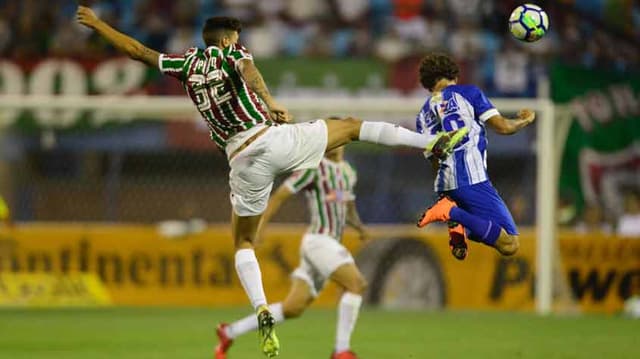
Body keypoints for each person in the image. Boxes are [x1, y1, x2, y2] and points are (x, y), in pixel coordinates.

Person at [76, 7, 466, 357]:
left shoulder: (186, 64)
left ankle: (260, 308)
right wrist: (272, 102)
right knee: (349, 127)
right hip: (270, 137)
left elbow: (137, 51)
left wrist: (97, 24)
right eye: (237, 37)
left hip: (241, 160)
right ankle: (429, 142)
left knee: (243, 240)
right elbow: (250, 72)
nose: (240, 42)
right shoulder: (232, 52)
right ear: (228, 39)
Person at [216, 144, 367, 359]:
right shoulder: (314, 168)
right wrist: (260, 228)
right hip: (319, 240)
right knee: (356, 284)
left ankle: (229, 332)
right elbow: (280, 195)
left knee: (293, 307)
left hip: (329, 244)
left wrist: (359, 227)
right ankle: (341, 351)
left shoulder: (348, 172)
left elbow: (348, 205)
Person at [415, 53, 536, 259]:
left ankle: (458, 221)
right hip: (472, 178)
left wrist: (444, 194)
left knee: (494, 233)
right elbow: (503, 127)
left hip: (446, 183)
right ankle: (452, 214)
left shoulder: (422, 115)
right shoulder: (469, 93)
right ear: (453, 74)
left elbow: (434, 159)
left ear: (428, 83)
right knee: (510, 244)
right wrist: (525, 120)